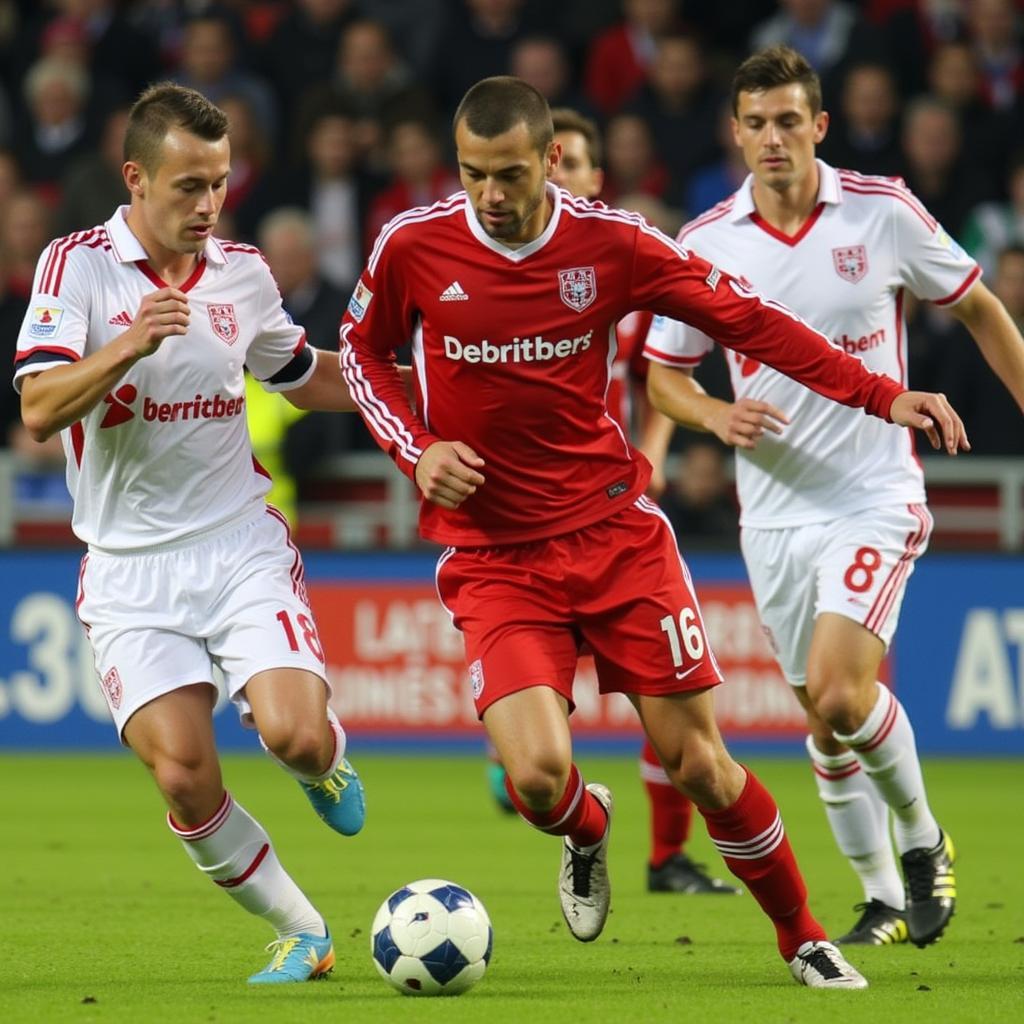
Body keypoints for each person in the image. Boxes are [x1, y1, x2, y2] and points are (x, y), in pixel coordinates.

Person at [339, 75, 968, 988]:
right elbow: (361, 351)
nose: (492, 196)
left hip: (614, 539)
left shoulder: (616, 243)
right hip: (493, 555)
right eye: (474, 175)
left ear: (552, 159)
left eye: (510, 173)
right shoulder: (413, 244)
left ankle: (802, 935)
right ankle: (587, 830)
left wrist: (881, 393)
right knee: (539, 783)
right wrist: (417, 449)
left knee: (703, 767)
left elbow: (752, 321)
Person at [645, 45, 1024, 949]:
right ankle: (883, 897)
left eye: (788, 120)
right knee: (821, 717)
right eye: (755, 123)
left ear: (818, 126)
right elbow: (664, 378)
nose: (772, 138)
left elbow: (978, 307)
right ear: (734, 134)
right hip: (772, 513)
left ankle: (925, 841)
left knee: (849, 698)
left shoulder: (882, 211)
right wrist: (711, 414)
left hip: (873, 492)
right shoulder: (704, 244)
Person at [14, 83, 366, 985]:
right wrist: (125, 346)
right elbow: (39, 407)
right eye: (188, 186)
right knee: (182, 776)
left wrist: (407, 387)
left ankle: (325, 762)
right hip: (130, 570)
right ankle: (304, 931)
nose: (208, 205)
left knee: (293, 736)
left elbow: (296, 371)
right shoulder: (77, 268)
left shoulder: (243, 273)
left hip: (237, 543)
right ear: (136, 178)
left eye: (220, 182)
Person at [483, 106, 740, 897]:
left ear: (591, 176)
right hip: (527, 525)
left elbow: (664, 374)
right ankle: (548, 784)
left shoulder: (621, 268)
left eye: (571, 166)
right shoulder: (499, 270)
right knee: (535, 723)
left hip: (615, 512)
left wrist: (654, 452)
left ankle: (666, 856)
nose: (555, 181)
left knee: (662, 707)